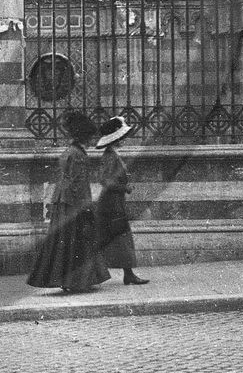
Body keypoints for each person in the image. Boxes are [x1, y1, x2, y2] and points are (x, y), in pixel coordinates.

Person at [27, 112, 110, 293]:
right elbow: (77, 184)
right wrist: (86, 207)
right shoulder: (78, 154)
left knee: (64, 243)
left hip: (63, 202)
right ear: (84, 137)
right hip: (74, 203)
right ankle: (76, 280)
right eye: (89, 137)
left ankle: (70, 280)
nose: (91, 141)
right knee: (77, 241)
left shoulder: (70, 152)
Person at [94, 116, 150, 286]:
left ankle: (128, 274)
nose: (124, 140)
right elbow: (104, 180)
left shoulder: (113, 155)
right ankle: (126, 274)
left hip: (114, 201)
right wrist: (123, 188)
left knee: (120, 238)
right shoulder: (110, 156)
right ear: (116, 138)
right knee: (119, 238)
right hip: (111, 203)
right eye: (121, 138)